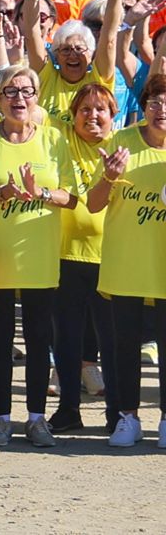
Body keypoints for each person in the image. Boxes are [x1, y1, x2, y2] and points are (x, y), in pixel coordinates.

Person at [0, 63, 77, 449]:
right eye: (10, 92)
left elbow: (71, 197)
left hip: (40, 260)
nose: (19, 99)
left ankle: (37, 418)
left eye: (26, 91)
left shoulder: (55, 139)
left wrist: (41, 193)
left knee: (40, 342)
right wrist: (2, 194)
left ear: (37, 97)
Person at [88, 74, 166, 448]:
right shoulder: (122, 143)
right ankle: (127, 418)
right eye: (154, 102)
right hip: (126, 263)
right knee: (124, 346)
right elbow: (94, 203)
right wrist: (108, 176)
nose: (160, 109)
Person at [51, 80, 117, 434]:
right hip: (65, 255)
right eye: (84, 110)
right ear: (72, 116)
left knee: (111, 339)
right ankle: (67, 410)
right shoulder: (62, 140)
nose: (92, 116)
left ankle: (117, 412)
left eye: (100, 110)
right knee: (67, 338)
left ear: (113, 115)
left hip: (111, 259)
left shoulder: (124, 146)